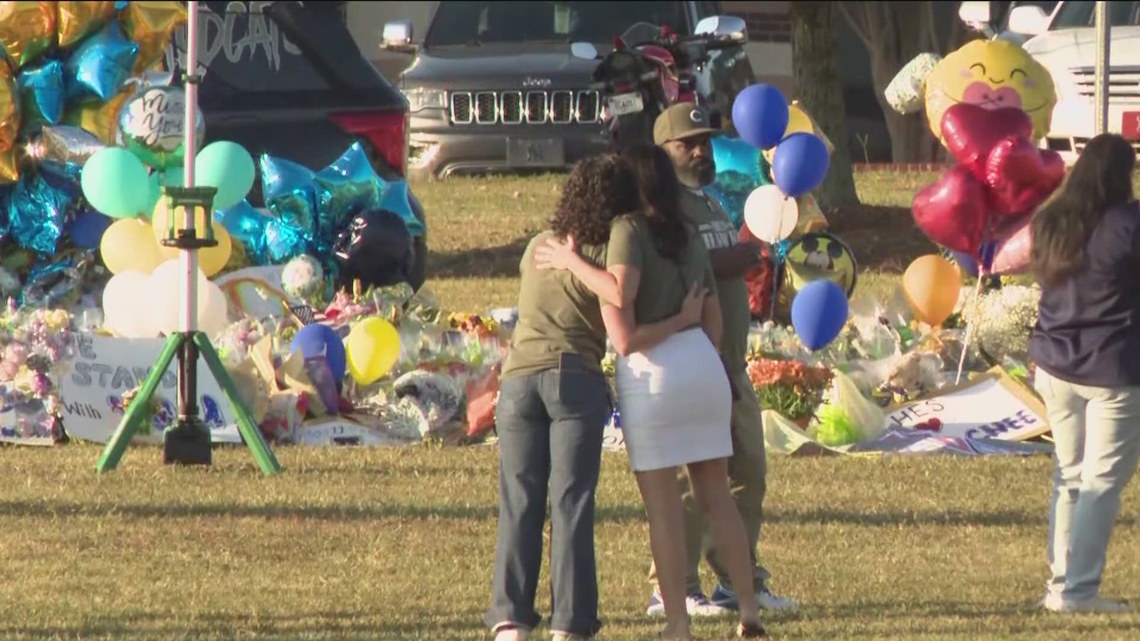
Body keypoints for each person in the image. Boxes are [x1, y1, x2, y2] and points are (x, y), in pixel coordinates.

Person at [537, 144, 766, 640]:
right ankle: (748, 609)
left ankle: (678, 624)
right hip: (703, 363)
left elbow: (620, 296)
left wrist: (570, 260)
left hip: (653, 371)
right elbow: (715, 319)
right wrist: (700, 350)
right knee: (717, 495)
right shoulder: (689, 233)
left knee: (663, 509)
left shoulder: (628, 230)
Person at [485, 154, 639, 641]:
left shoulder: (537, 245)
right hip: (573, 377)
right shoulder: (605, 249)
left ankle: (510, 618)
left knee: (520, 500)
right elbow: (616, 295)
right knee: (571, 501)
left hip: (517, 381)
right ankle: (570, 623)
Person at [652, 102, 797, 616]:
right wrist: (727, 261)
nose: (700, 150)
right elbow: (662, 264)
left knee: (748, 473)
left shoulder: (710, 203)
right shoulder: (661, 208)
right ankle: (675, 585)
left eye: (705, 141)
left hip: (729, 364)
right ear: (662, 151)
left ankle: (739, 580)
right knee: (692, 479)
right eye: (687, 143)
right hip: (690, 362)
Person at [1029, 132, 1140, 614]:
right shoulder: (1128, 226)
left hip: (1054, 363)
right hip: (1111, 368)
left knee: (1069, 478)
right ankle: (1079, 592)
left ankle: (1061, 586)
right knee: (1099, 483)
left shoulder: (1051, 221)